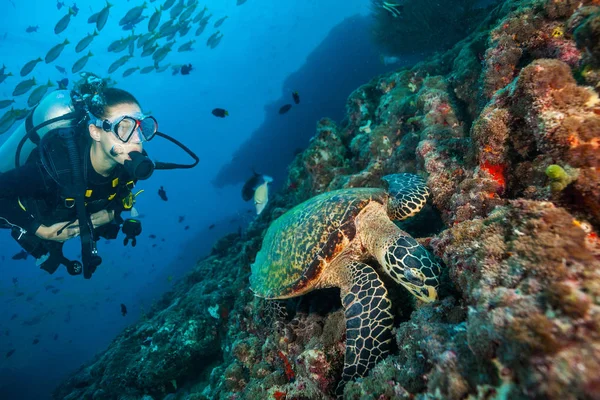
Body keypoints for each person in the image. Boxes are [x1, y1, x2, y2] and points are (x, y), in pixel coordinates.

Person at [0, 73, 198, 278]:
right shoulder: (57, 168)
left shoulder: (129, 163)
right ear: (95, 132)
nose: (137, 140)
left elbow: (122, 195)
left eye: (141, 128)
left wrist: (112, 214)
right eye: (124, 128)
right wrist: (40, 230)